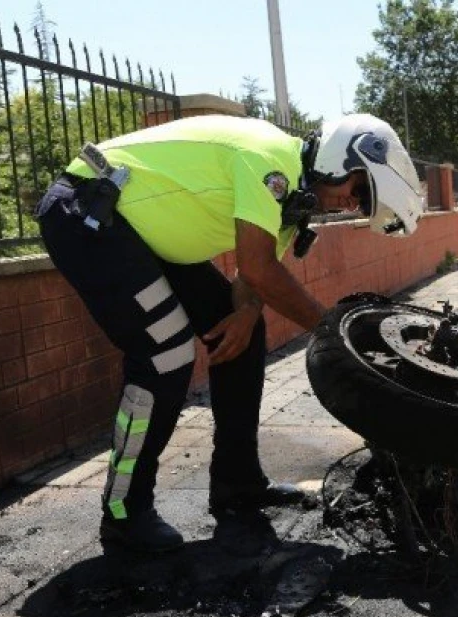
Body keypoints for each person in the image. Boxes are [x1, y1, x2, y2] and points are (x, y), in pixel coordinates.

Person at [34, 113, 423, 552]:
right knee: (165, 352)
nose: (352, 205)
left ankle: (238, 484)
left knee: (242, 329)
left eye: (364, 204)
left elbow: (250, 281)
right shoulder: (269, 161)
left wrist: (246, 313)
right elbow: (260, 269)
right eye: (359, 191)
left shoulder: (292, 201)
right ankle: (125, 513)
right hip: (89, 213)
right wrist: (335, 334)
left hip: (138, 233)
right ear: (341, 159)